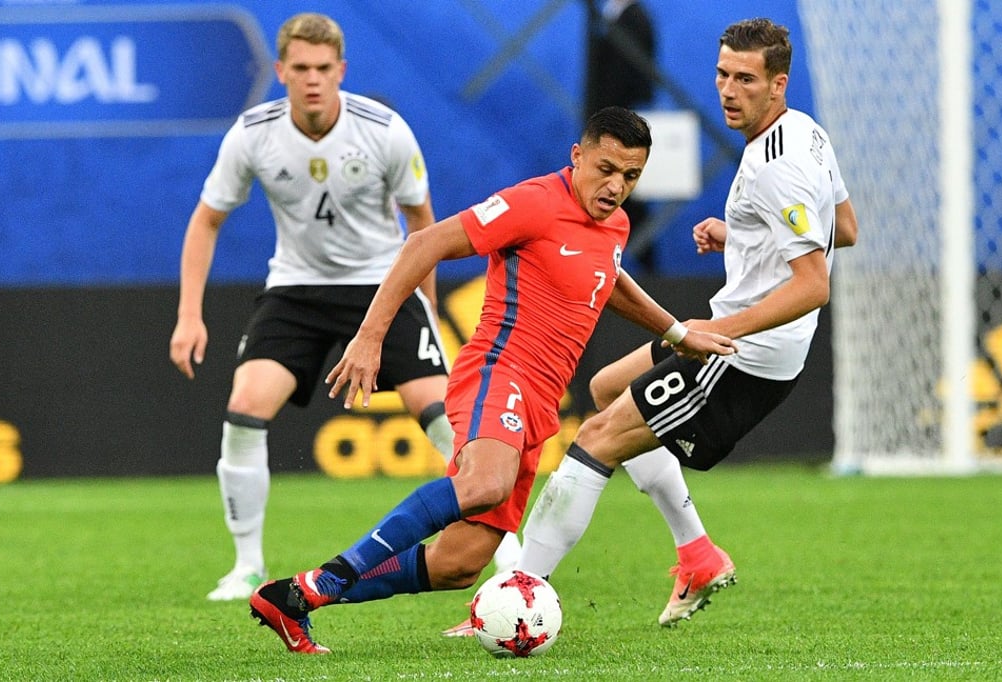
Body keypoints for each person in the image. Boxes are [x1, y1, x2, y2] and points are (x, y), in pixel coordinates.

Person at [246, 106, 737, 654]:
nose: (615, 186)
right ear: (577, 156)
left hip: (541, 404)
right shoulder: (533, 202)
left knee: (460, 564)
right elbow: (423, 243)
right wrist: (370, 336)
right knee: (486, 483)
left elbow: (609, 277)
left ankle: (291, 599)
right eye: (605, 169)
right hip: (497, 372)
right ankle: (326, 580)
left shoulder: (614, 223)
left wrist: (674, 331)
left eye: (631, 176)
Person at [515, 17, 859, 627]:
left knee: (595, 440)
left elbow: (814, 284)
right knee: (603, 390)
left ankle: (517, 597)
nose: (729, 89)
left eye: (746, 79)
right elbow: (844, 231)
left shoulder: (776, 165)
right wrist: (744, 236)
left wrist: (722, 335)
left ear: (777, 84)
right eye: (723, 74)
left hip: (743, 354)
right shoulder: (806, 132)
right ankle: (697, 554)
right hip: (738, 336)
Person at [168, 12, 520, 602]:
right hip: (295, 291)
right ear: (280, 71)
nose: (312, 80)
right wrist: (188, 314)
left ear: (342, 71)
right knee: (245, 407)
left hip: (382, 285)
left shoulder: (382, 130)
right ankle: (247, 565)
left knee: (445, 419)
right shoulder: (253, 133)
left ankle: (508, 558)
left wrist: (426, 305)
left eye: (323, 69)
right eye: (300, 68)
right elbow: (206, 221)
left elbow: (421, 223)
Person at [584, 0, 657, 263]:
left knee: (623, 197)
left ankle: (639, 262)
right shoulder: (616, 16)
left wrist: (610, 120)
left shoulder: (634, 18)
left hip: (616, 127)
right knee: (621, 198)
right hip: (609, 125)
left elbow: (630, 77)